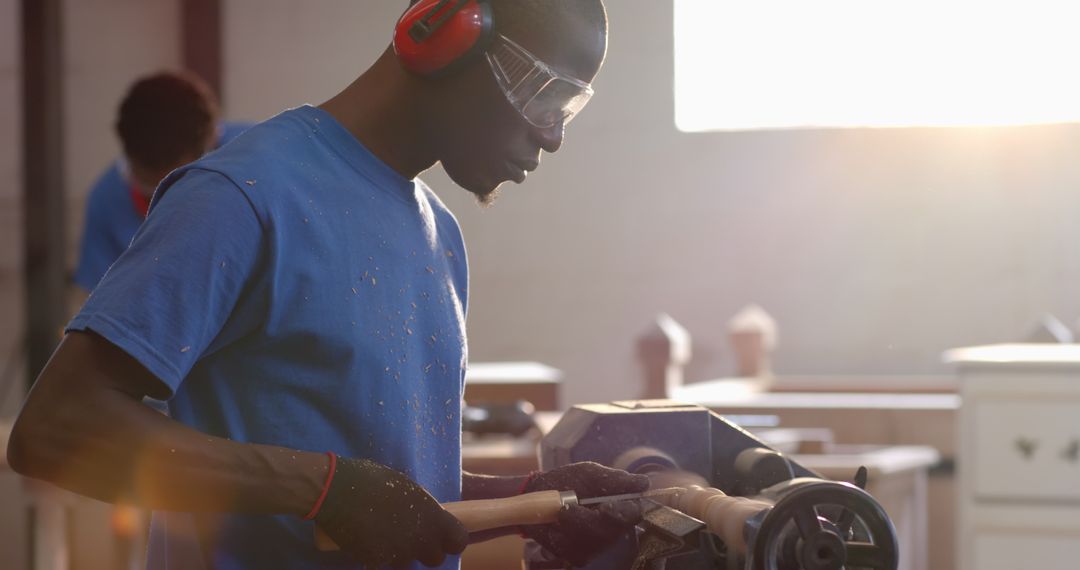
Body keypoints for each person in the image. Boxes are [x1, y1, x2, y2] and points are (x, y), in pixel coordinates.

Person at [8, 1, 644, 568]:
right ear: (447, 37)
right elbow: (58, 429)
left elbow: (387, 500)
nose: (553, 136)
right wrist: (323, 488)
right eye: (545, 96)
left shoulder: (440, 235)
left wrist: (530, 503)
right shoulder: (240, 198)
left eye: (569, 110)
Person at [73, 71, 249, 295]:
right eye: (149, 196)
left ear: (212, 139)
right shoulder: (107, 200)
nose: (161, 207)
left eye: (176, 192)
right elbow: (97, 303)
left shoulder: (259, 166)